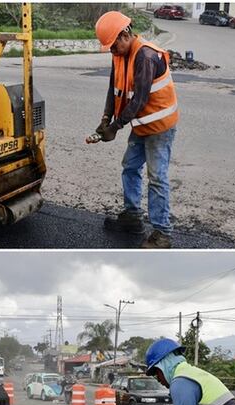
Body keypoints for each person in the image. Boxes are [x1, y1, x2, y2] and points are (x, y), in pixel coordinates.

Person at [91, 10, 179, 249]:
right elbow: (113, 88)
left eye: (113, 45)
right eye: (108, 47)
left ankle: (162, 233)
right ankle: (132, 217)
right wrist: (106, 117)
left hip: (159, 126)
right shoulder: (118, 54)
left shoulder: (146, 57)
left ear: (125, 34)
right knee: (130, 166)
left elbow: (139, 99)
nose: (112, 50)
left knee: (157, 178)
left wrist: (115, 128)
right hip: (140, 124)